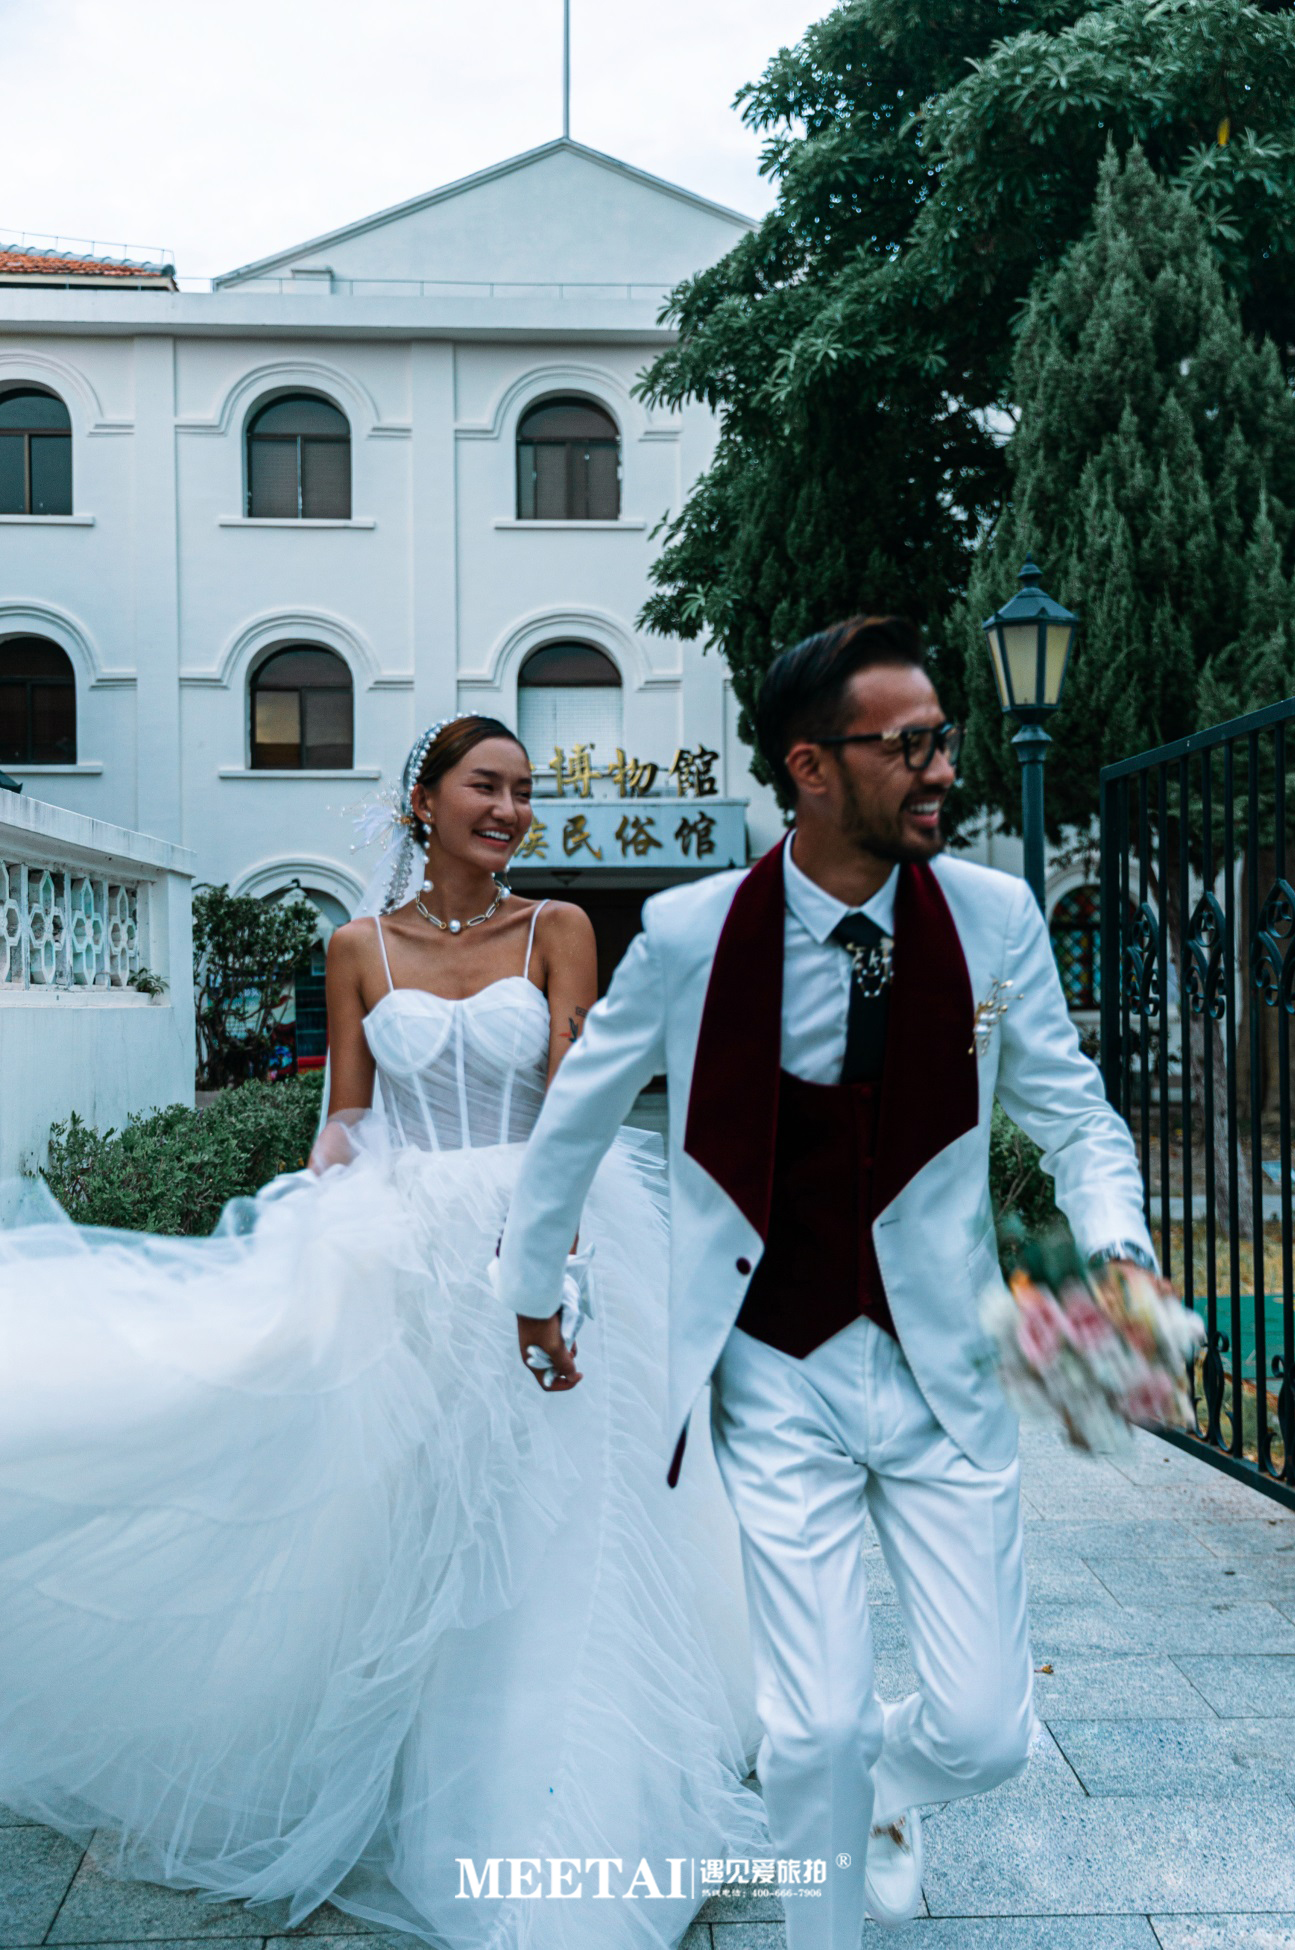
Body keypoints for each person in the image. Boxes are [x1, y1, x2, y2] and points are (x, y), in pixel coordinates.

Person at [0, 715, 768, 1948]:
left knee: (569, 1513)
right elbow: (347, 1116)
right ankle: (428, 1768)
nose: (509, 809)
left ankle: (581, 1789)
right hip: (407, 1254)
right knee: (429, 1509)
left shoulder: (560, 929)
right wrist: (316, 1224)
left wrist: (559, 1253)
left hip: (547, 1229)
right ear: (424, 802)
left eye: (523, 790)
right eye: (485, 786)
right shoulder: (356, 947)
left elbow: (575, 1094)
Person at [496, 619, 1158, 1948]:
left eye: (942, 740)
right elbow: (578, 1111)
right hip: (772, 1366)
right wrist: (531, 1281)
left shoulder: (995, 922)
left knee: (984, 1729)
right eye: (907, 745)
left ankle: (883, 1797)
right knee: (811, 1730)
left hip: (941, 1368)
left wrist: (1118, 1251)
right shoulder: (689, 933)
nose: (940, 768)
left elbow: (1075, 1115)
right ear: (810, 765)